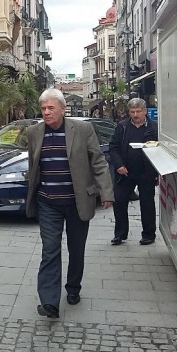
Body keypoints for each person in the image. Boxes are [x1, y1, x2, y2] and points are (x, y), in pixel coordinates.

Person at [26, 89, 113, 319]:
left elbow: (98, 161)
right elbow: (33, 165)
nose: (46, 112)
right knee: (50, 250)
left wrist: (106, 192)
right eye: (43, 108)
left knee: (76, 249)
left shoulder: (82, 129)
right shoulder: (34, 132)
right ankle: (50, 302)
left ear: (63, 109)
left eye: (51, 108)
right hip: (48, 203)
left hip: (77, 201)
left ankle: (73, 288)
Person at [109, 98, 158, 246]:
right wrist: (119, 165)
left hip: (146, 171)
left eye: (138, 111)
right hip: (125, 171)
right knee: (119, 201)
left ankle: (149, 234)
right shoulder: (122, 127)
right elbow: (114, 147)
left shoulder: (154, 127)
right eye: (132, 112)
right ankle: (120, 234)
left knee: (147, 203)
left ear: (144, 111)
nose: (135, 115)